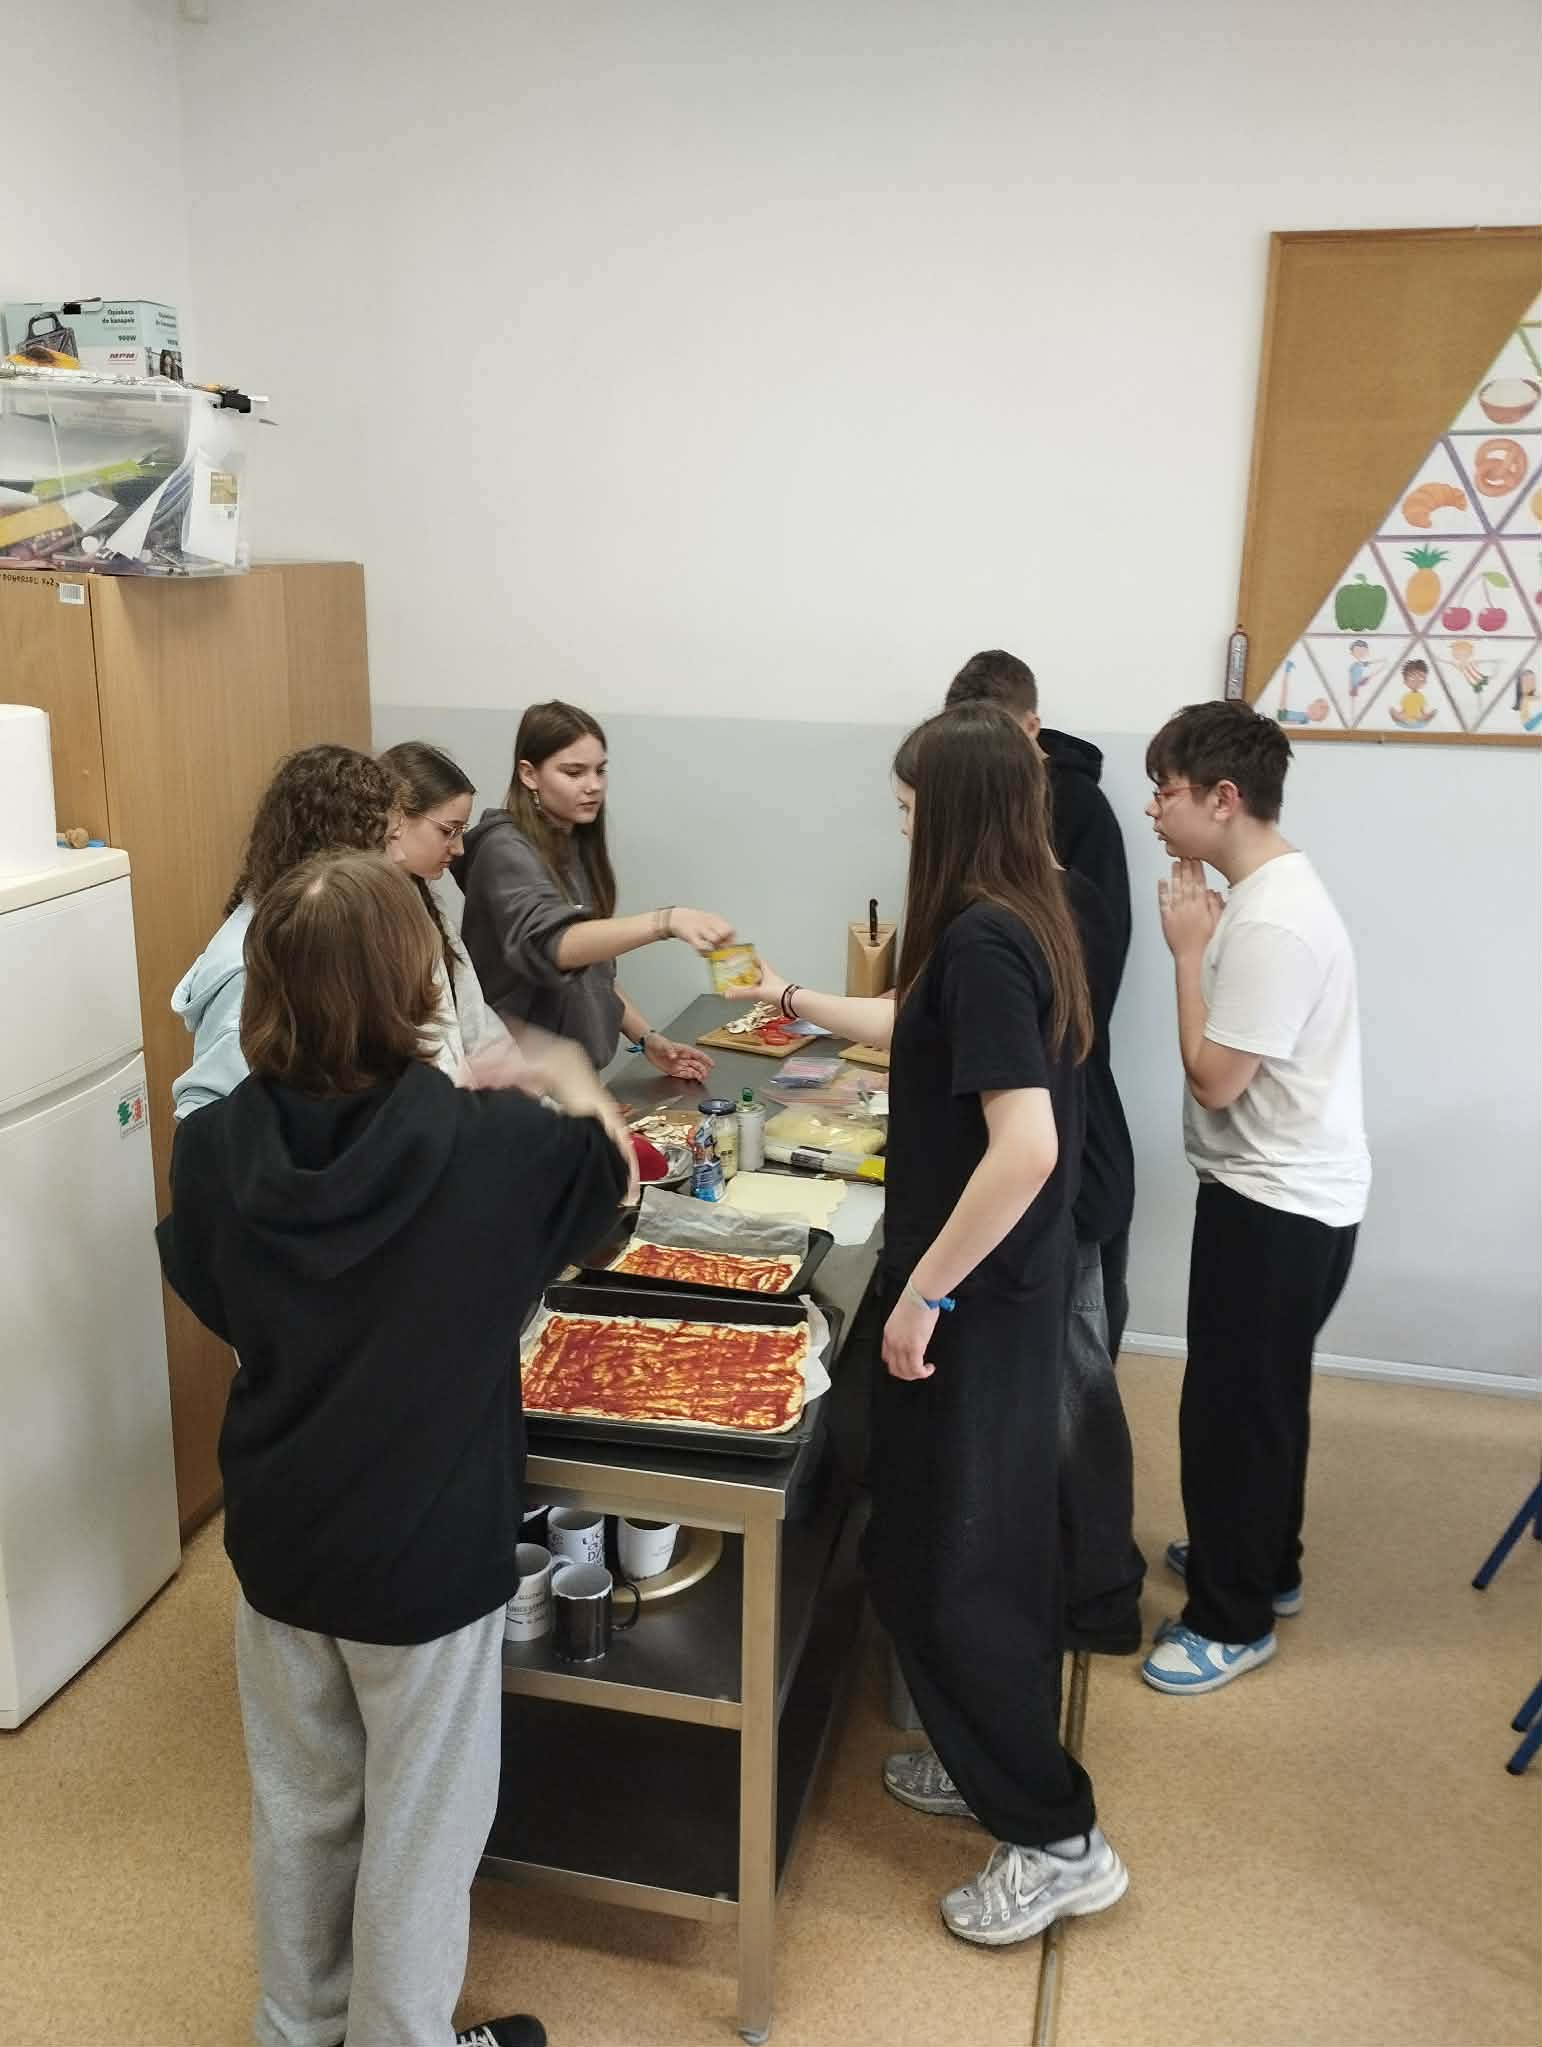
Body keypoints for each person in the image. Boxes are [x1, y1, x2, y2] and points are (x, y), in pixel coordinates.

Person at [157, 852, 632, 2047]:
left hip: (280, 1533)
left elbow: (214, 1291)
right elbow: (611, 1198)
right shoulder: (493, 1141)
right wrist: (567, 1072)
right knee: (422, 1828)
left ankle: (297, 2026)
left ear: (268, 987)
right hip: (427, 1547)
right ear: (418, 985)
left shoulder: (214, 1148)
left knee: (302, 1807)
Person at [741, 702, 1127, 1949]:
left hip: (976, 1305)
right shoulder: (1021, 914)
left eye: (910, 809)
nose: (902, 828)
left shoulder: (988, 939)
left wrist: (923, 1294)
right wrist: (789, 995)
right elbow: (915, 1024)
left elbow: (1027, 1146)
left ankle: (1057, 1838)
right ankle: (986, 1761)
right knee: (935, 1549)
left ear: (953, 809)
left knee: (954, 1567)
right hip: (994, 1294)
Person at [1141, 701, 1368, 1696]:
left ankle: (1230, 1620)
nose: (1155, 809)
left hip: (1275, 1204)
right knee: (1267, 1401)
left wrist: (1188, 952)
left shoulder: (1271, 918)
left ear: (1223, 798)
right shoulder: (1268, 893)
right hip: (1289, 1196)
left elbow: (1214, 1080)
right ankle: (1265, 1564)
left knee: (1230, 1414)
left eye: (1167, 791)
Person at [944, 650, 1143, 1652]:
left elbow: (1063, 1029)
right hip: (1062, 1157)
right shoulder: (1005, 904)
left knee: (1080, 1387)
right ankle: (1067, 1568)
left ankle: (1101, 1595)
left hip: (1077, 1170)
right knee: (1063, 1385)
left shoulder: (1061, 859)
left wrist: (924, 1292)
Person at [456, 700, 731, 1078]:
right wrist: (666, 922)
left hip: (574, 1079)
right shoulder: (504, 850)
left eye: (600, 771)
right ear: (529, 774)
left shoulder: (573, 842)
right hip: (521, 1082)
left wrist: (647, 1038)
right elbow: (555, 946)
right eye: (574, 772)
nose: (594, 786)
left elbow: (592, 971)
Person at [171, 744, 405, 1118]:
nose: (400, 857)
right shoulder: (251, 967)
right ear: (340, 845)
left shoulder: (315, 932)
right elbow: (202, 1115)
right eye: (389, 841)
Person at [380, 739, 511, 1076]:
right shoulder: (364, 917)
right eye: (448, 831)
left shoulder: (425, 902)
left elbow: (474, 1022)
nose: (459, 848)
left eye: (461, 831)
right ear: (396, 817)